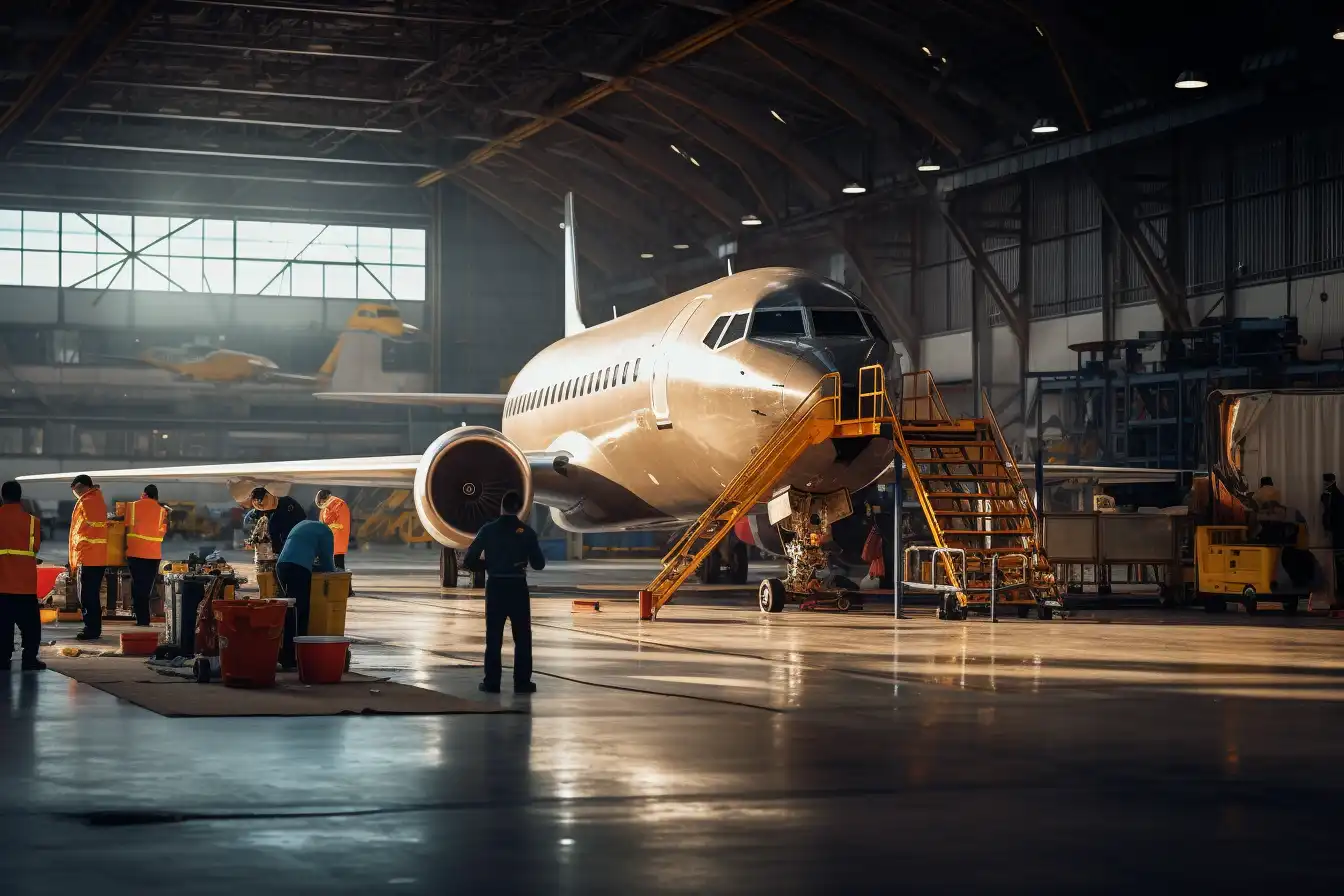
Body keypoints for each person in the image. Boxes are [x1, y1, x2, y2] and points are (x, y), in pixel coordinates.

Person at [463, 491, 545, 694]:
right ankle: (522, 682)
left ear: (502, 507)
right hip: (518, 587)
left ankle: (492, 683)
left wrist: (490, 564)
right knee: (523, 638)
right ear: (519, 508)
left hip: (497, 587)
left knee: (494, 637)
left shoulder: (488, 530)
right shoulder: (526, 532)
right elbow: (539, 564)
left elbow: (468, 561)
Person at [274, 518, 336, 668]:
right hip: (299, 570)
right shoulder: (326, 532)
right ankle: (293, 656)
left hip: (280, 567)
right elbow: (328, 563)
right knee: (300, 612)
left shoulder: (300, 525)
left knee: (289, 610)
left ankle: (283, 653)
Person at [0, 481, 46, 672]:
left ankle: (2, 659)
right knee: (30, 626)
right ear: (20, 496)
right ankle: (29, 659)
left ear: (3, 496)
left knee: (2, 626)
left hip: (1, 584)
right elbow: (34, 548)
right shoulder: (32, 522)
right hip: (25, 585)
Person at [68, 474, 109, 641]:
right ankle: (93, 627)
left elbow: (84, 532)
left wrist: (78, 554)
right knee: (91, 595)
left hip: (89, 556)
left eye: (77, 490)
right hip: (95, 556)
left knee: (87, 596)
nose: (76, 493)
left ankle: (91, 628)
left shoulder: (88, 502)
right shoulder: (95, 500)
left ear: (83, 487)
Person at [124, 484, 168, 626]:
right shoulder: (162, 511)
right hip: (153, 555)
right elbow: (163, 531)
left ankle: (141, 619)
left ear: (144, 494)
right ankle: (144, 619)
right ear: (156, 496)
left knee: (137, 586)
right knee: (147, 588)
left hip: (135, 553)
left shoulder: (133, 506)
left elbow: (125, 526)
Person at [249, 487, 307, 555]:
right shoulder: (264, 513)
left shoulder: (287, 503)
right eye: (255, 502)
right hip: (280, 548)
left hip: (294, 540)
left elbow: (301, 518)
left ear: (268, 495)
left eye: (259, 500)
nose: (259, 505)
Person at [315, 489, 351, 570]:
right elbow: (322, 523)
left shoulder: (340, 504)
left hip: (338, 539)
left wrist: (328, 528)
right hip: (328, 540)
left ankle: (342, 581)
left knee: (338, 563)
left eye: (323, 501)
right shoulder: (325, 508)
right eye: (321, 502)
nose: (322, 504)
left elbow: (341, 525)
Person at [1323, 473, 1344, 605]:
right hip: (1338, 537)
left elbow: (1334, 518)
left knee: (1340, 566)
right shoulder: (1332, 496)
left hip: (1340, 538)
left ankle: (1341, 594)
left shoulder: (1336, 497)